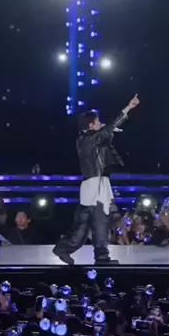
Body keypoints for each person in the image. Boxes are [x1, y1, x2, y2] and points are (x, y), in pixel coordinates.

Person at [52, 94, 140, 265]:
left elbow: (107, 133)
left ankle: (69, 249)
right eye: (97, 121)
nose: (100, 123)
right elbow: (109, 128)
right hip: (95, 186)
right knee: (97, 222)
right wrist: (128, 108)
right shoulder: (89, 139)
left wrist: (110, 130)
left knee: (88, 224)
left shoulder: (88, 139)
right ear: (90, 125)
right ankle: (97, 256)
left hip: (95, 184)